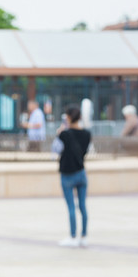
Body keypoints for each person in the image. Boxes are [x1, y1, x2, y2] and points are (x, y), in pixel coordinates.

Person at [56, 105, 91, 248]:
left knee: (71, 207)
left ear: (68, 117)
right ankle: (83, 236)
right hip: (81, 173)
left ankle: (72, 236)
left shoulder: (66, 134)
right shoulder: (87, 134)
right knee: (82, 206)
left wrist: (65, 124)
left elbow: (59, 133)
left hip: (67, 174)